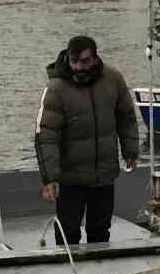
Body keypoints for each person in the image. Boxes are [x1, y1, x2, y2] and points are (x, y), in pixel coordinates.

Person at [35, 34, 140, 245]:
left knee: (100, 231)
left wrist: (130, 151)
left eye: (84, 61)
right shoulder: (57, 88)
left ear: (94, 58)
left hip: (103, 174)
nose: (78, 67)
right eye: (74, 62)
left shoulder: (113, 79)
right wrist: (50, 178)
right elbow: (46, 135)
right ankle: (67, 273)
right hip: (70, 177)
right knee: (67, 232)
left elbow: (126, 117)